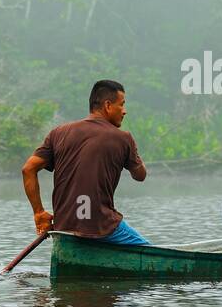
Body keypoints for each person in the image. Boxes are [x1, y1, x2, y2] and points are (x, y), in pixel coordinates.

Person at [21, 79, 150, 245]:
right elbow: (140, 175)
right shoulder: (123, 138)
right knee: (151, 252)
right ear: (108, 106)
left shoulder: (58, 133)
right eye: (122, 105)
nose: (124, 111)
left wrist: (39, 213)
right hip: (102, 226)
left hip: (64, 226)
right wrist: (132, 152)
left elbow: (28, 169)